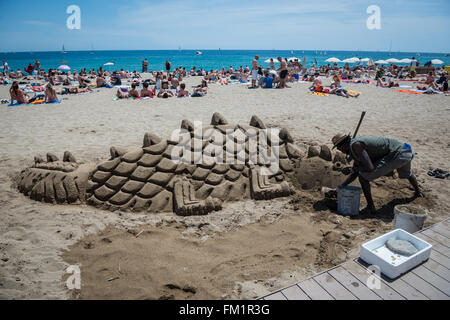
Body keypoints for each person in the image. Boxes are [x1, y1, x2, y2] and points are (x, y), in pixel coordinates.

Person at [332, 132, 423, 214]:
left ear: (344, 144)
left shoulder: (356, 145)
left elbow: (369, 168)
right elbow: (356, 171)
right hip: (406, 150)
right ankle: (418, 192)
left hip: (397, 155)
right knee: (407, 174)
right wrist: (341, 187)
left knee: (363, 178)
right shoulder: (355, 145)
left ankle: (371, 207)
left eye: (339, 147)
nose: (339, 150)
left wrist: (352, 169)